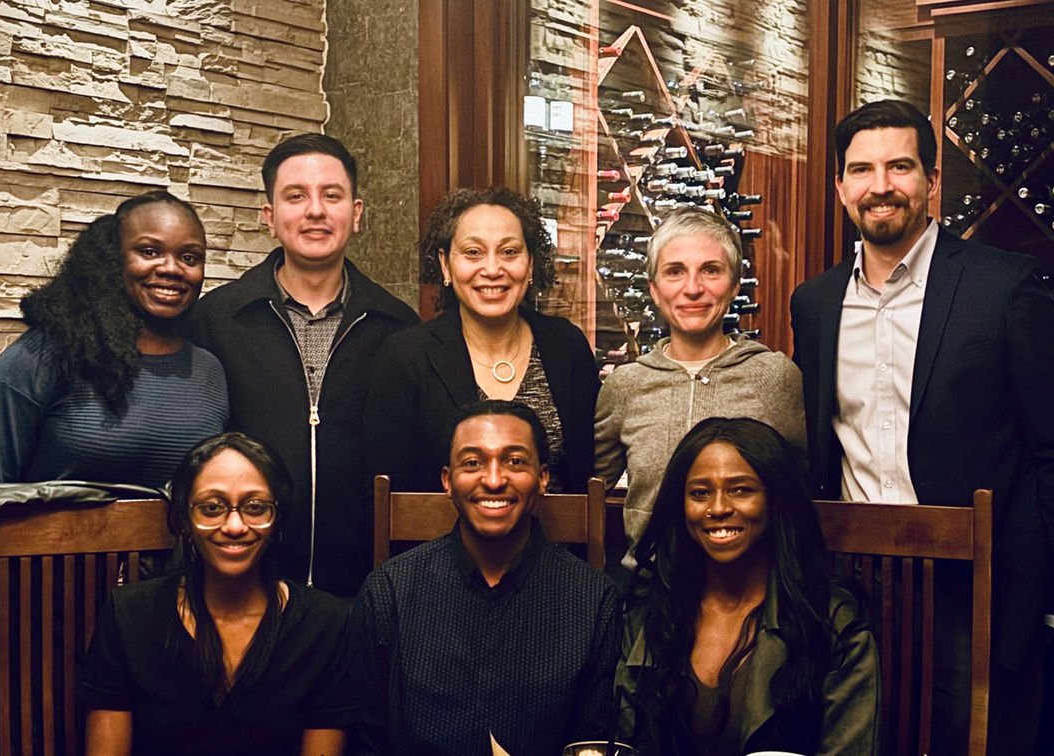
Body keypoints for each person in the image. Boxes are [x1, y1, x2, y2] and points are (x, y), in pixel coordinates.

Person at [789, 99, 1054, 754]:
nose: (880, 186)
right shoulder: (814, 304)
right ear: (840, 187)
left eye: (899, 167)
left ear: (933, 180)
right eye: (862, 170)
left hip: (978, 594)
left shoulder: (1003, 287)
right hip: (852, 589)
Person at [184, 133, 418, 596]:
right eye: (296, 196)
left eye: (331, 195)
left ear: (356, 213)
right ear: (269, 217)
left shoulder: (399, 328)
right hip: (243, 590)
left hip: (366, 592)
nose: (315, 210)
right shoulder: (216, 320)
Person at [352, 400, 620, 756]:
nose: (494, 480)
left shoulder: (592, 598)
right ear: (447, 481)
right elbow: (367, 741)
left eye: (515, 461)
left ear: (542, 478)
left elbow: (593, 744)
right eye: (472, 463)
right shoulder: (390, 592)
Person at [82, 432, 359, 756]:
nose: (234, 526)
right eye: (212, 507)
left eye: (255, 507)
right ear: (185, 517)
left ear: (277, 517)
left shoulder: (324, 625)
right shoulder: (130, 616)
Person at [616, 417, 877, 755]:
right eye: (700, 493)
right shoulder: (648, 616)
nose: (718, 508)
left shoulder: (833, 622)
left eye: (741, 490)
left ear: (775, 500)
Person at [0, 190, 228, 488]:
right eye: (149, 252)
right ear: (113, 259)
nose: (171, 268)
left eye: (189, 258)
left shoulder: (209, 372)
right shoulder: (42, 358)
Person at [594, 207, 805, 569]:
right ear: (654, 289)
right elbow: (588, 490)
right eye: (675, 272)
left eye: (711, 270)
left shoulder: (774, 376)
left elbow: (800, 492)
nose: (692, 289)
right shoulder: (625, 386)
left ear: (735, 284)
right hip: (652, 588)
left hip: (754, 587)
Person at [363, 187, 599, 494]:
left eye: (509, 252)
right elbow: (384, 494)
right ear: (446, 265)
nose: (492, 269)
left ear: (530, 264)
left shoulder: (567, 347)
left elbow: (589, 475)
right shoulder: (406, 357)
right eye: (473, 252)